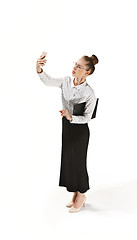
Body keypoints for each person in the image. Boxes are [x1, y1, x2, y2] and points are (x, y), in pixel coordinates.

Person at [36, 53, 99, 213]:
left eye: (79, 66)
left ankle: (82, 194)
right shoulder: (66, 81)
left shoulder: (89, 93)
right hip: (67, 128)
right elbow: (48, 81)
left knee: (79, 162)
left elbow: (87, 117)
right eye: (75, 64)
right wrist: (39, 68)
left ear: (87, 72)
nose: (74, 68)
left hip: (80, 131)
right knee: (69, 161)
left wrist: (71, 117)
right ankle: (76, 193)